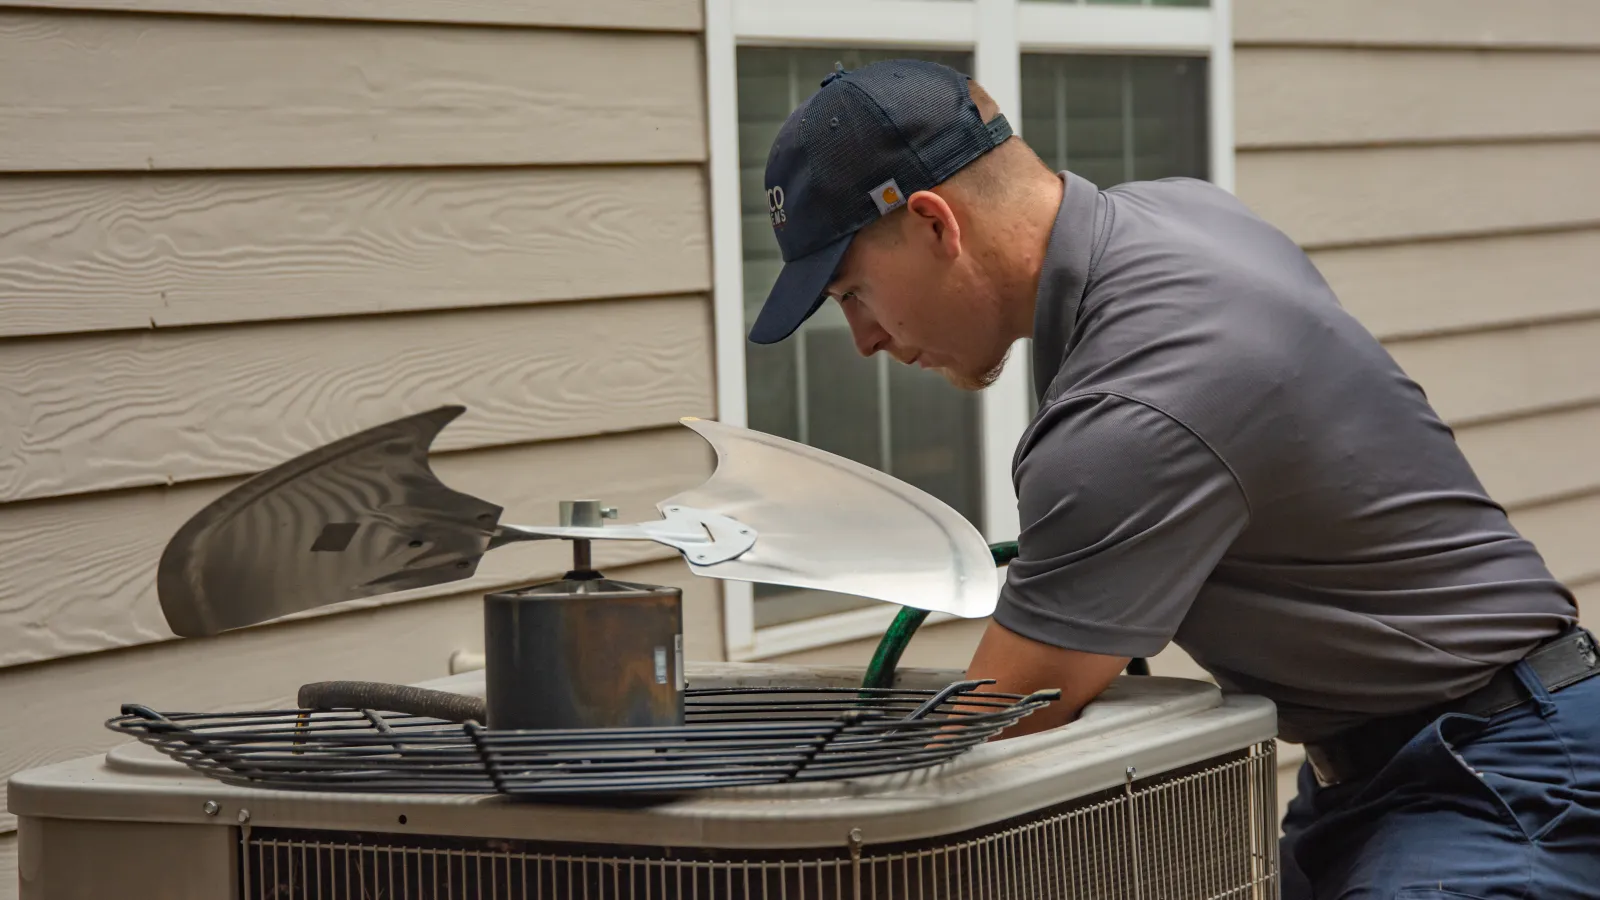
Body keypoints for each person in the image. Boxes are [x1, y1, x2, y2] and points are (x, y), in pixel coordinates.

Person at [747, 58, 1600, 898]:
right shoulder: (1183, 215)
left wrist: (788, 805)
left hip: (1495, 781)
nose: (863, 338)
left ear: (937, 224)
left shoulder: (1132, 405)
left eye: (853, 292)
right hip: (1406, 759)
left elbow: (1001, 716)